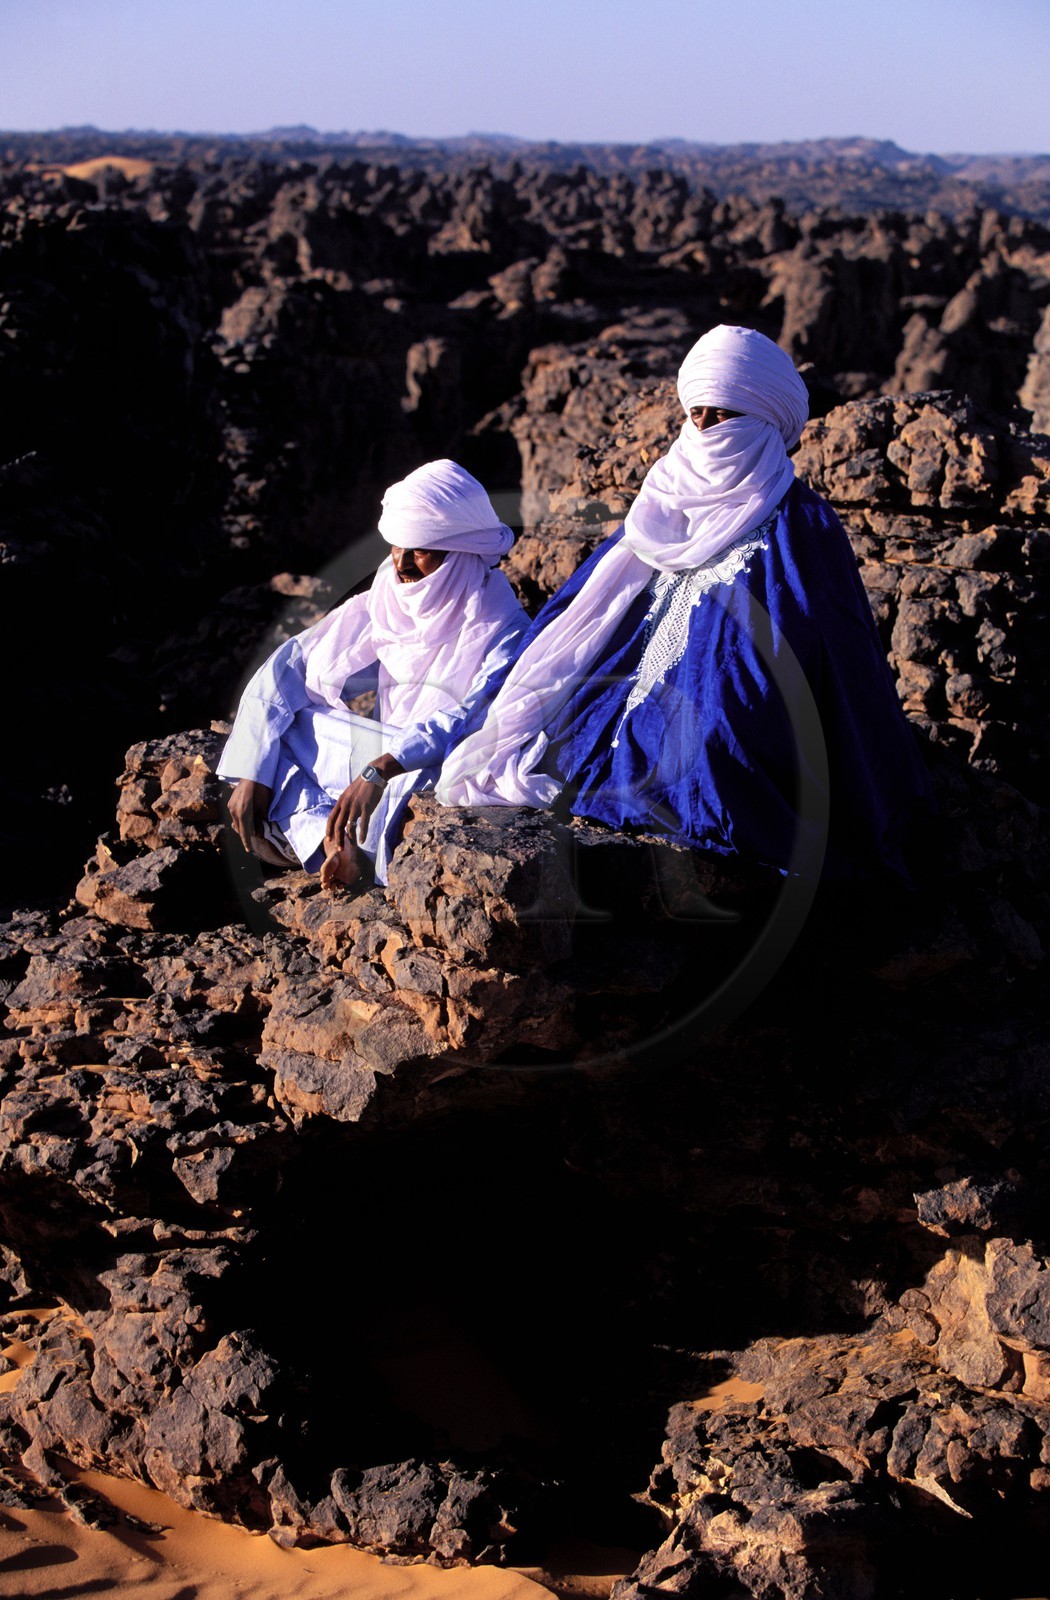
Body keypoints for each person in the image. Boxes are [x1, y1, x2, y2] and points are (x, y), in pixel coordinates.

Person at [435, 325, 933, 882]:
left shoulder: (804, 524)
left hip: (733, 700)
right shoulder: (666, 495)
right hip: (628, 688)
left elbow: (838, 655)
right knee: (560, 737)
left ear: (765, 420)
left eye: (721, 415)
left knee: (717, 752)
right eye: (694, 414)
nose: (703, 429)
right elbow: (583, 609)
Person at [219, 459, 529, 889]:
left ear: (460, 553)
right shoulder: (388, 594)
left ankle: (347, 840)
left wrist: (380, 769)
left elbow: (471, 717)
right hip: (384, 755)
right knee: (277, 735)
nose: (401, 564)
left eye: (419, 551)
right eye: (395, 548)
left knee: (433, 795)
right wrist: (252, 767)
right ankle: (332, 841)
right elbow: (293, 661)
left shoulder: (503, 625)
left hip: (436, 765)